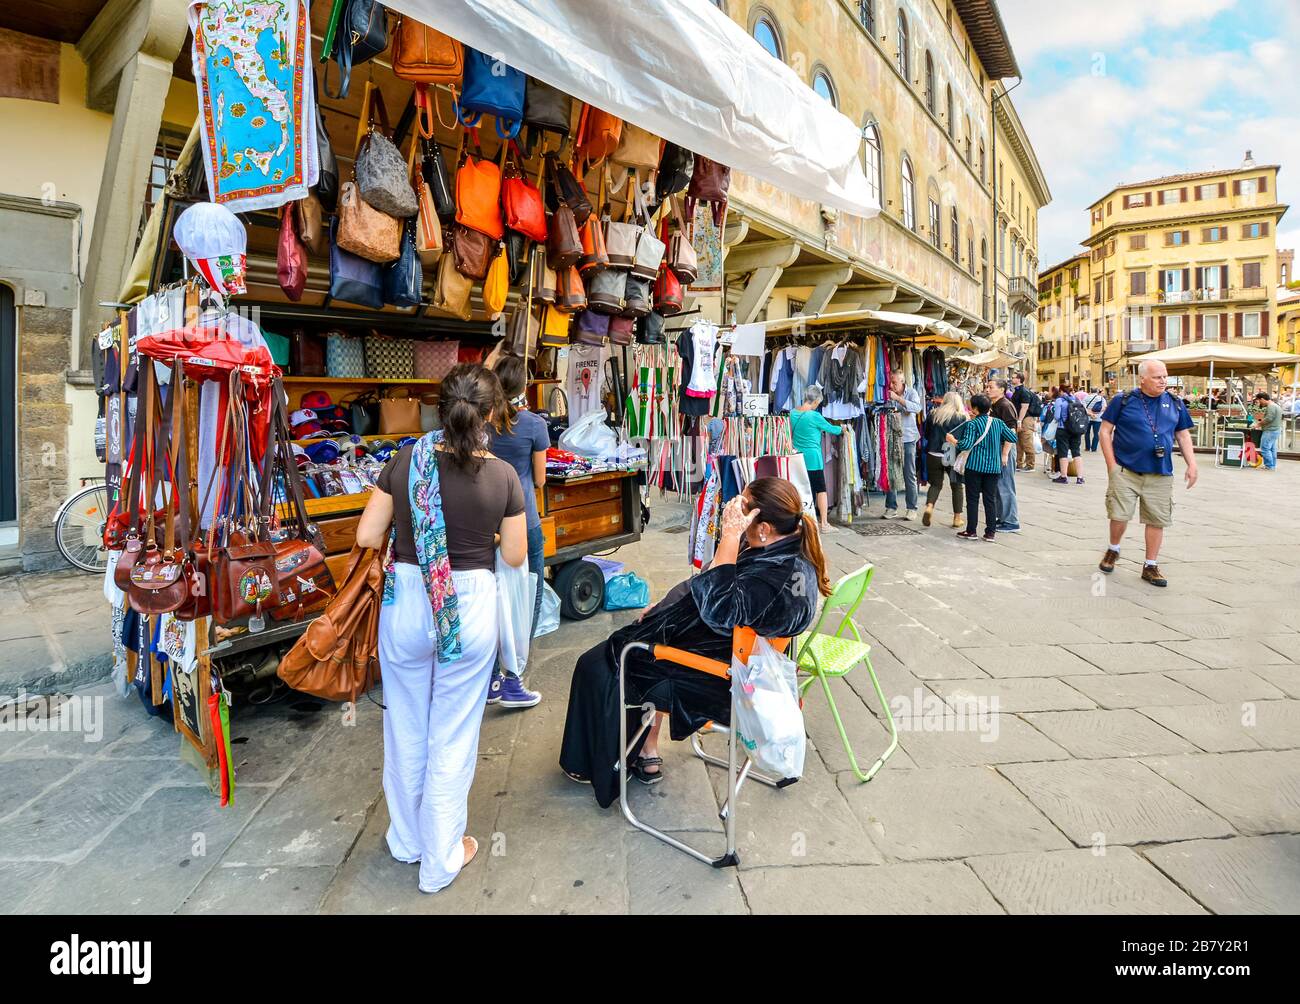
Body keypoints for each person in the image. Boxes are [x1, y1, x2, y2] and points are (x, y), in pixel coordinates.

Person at [355, 364, 528, 893]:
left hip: (407, 602)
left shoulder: (405, 460)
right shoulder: (503, 476)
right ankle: (441, 856)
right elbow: (517, 556)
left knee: (405, 725)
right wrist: (488, 538)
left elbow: (366, 534)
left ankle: (407, 842)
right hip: (469, 607)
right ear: (493, 414)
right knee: (453, 734)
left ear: (439, 405)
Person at [559, 478, 827, 805]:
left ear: (764, 528)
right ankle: (646, 746)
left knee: (597, 663)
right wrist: (667, 606)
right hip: (723, 659)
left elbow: (720, 607)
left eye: (743, 508)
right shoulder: (784, 549)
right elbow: (709, 586)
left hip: (717, 681)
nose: (734, 513)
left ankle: (593, 765)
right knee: (642, 640)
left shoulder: (771, 579)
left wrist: (729, 536)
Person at [1097, 359, 1198, 587]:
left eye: (1165, 376)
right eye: (1157, 377)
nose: (1163, 381)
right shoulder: (1123, 400)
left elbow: (1182, 435)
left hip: (1160, 472)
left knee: (1157, 519)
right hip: (1126, 469)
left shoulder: (1175, 403)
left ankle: (1150, 565)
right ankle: (1114, 549)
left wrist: (1192, 464)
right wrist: (1111, 465)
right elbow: (1105, 431)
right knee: (1119, 515)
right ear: (1143, 378)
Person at [484, 353, 548, 707]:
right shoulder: (534, 425)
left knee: (491, 598)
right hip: (524, 520)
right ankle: (513, 679)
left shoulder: (483, 424)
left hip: (487, 519)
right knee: (526, 595)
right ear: (525, 385)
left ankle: (492, 677)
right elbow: (539, 479)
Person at [947, 393, 1018, 541]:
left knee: (972, 499)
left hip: (975, 467)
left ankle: (971, 531)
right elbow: (1012, 437)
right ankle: (990, 532)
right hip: (993, 467)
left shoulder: (972, 424)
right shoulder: (998, 423)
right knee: (989, 499)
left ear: (975, 409)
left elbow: (965, 445)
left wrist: (953, 440)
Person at [788, 385, 847, 530]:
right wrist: (843, 429)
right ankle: (824, 523)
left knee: (801, 490)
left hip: (797, 458)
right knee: (820, 489)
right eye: (818, 403)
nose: (817, 406)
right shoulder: (814, 416)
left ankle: (801, 522)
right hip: (813, 458)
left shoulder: (792, 413)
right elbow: (832, 429)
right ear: (815, 401)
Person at [922, 391, 968, 528]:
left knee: (935, 484)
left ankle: (929, 507)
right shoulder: (962, 417)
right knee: (956, 485)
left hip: (934, 451)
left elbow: (926, 433)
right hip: (950, 451)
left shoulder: (933, 414)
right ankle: (957, 518)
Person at [884, 371, 922, 520]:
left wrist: (898, 400)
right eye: (891, 382)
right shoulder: (888, 394)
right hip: (892, 437)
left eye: (895, 383)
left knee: (909, 474)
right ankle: (891, 507)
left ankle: (912, 508)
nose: (892, 385)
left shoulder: (911, 392)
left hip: (908, 438)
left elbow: (917, 408)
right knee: (892, 472)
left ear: (902, 381)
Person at [986, 377, 1021, 532]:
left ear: (1001, 389)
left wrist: (1005, 453)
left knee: (1006, 484)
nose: (987, 389)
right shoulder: (995, 405)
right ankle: (1003, 517)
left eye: (991, 387)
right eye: (987, 387)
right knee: (999, 485)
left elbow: (1011, 430)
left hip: (1004, 448)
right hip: (997, 448)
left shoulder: (1005, 405)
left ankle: (1012, 521)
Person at [1051, 383, 1087, 485]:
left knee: (1063, 453)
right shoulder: (1076, 399)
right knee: (1076, 452)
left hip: (1063, 429)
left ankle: (1064, 476)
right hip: (1076, 429)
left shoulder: (1060, 400)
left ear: (1061, 391)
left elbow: (1057, 416)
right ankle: (1080, 477)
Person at [1010, 372, 1040, 471]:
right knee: (1019, 442)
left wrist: (1019, 421)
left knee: (1026, 442)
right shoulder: (1018, 391)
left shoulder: (1023, 391)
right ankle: (1019, 464)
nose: (1011, 379)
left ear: (1019, 379)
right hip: (1022, 418)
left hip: (1025, 419)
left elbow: (1024, 407)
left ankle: (1030, 465)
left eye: (1013, 377)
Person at [1252, 391, 1283, 470]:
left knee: (1265, 448)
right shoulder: (1276, 405)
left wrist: (1258, 425)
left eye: (1259, 401)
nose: (1259, 403)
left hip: (1270, 430)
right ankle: (1272, 465)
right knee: (1272, 449)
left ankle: (1269, 466)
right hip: (1275, 429)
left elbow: (1269, 418)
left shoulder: (1271, 406)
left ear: (1262, 399)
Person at [1039, 387, 1058, 475]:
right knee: (1056, 450)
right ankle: (1056, 468)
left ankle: (1047, 467)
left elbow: (1042, 418)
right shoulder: (1063, 404)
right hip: (1059, 430)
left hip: (1048, 430)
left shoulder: (1049, 406)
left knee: (1048, 451)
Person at [1083, 387, 1107, 452]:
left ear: (1090, 391)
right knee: (1096, 433)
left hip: (1087, 417)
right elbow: (1104, 408)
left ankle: (1087, 447)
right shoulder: (1101, 398)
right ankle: (1094, 448)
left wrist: (1090, 412)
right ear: (1097, 391)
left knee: (1087, 433)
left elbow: (1083, 407)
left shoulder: (1086, 397)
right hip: (1098, 417)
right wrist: (1096, 412)